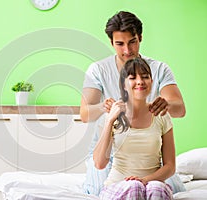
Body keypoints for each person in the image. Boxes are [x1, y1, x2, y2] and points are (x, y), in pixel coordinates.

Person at [80, 11, 186, 195]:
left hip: (150, 157)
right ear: (111, 42)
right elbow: (84, 114)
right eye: (120, 44)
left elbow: (180, 109)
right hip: (110, 152)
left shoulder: (159, 68)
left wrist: (166, 105)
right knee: (99, 190)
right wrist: (105, 108)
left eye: (132, 42)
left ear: (140, 38)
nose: (127, 50)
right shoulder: (98, 70)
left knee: (172, 190)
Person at [93, 57, 175, 199]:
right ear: (124, 85)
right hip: (118, 185)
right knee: (134, 187)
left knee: (157, 188)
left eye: (145, 77)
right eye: (132, 78)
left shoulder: (161, 116)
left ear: (152, 82)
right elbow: (100, 163)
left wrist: (145, 180)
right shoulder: (114, 115)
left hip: (151, 185)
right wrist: (110, 121)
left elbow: (170, 166)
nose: (140, 82)